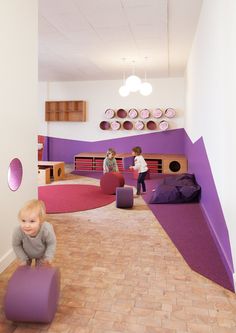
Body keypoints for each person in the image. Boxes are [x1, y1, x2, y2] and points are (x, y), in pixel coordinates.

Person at [12, 199, 56, 266]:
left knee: (41, 271)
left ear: (40, 221)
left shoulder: (47, 229)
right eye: (23, 220)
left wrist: (48, 257)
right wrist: (23, 258)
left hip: (42, 255)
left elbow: (51, 243)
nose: (26, 225)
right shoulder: (18, 231)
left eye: (32, 221)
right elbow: (16, 245)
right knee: (24, 271)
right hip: (25, 254)